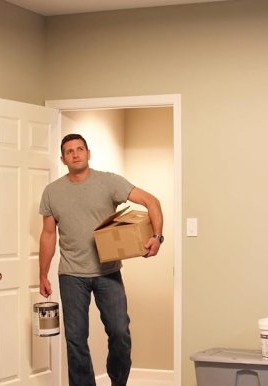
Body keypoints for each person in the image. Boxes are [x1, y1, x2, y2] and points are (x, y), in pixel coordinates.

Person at [39, 133, 164, 386]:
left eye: (80, 149)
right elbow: (48, 235)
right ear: (62, 159)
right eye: (69, 151)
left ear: (88, 153)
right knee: (75, 339)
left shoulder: (109, 182)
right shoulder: (52, 192)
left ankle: (118, 382)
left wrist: (157, 237)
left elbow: (152, 201)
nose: (75, 154)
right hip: (71, 275)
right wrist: (42, 274)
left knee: (119, 333)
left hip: (108, 272)